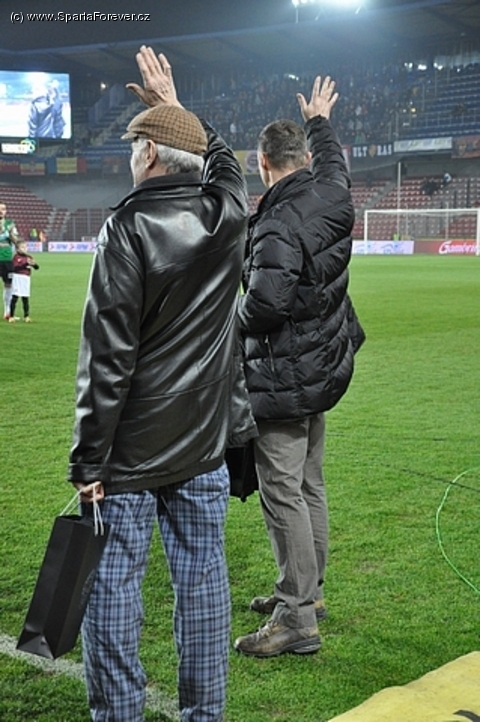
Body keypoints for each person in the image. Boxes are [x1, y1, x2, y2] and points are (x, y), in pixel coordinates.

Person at [67, 45, 253, 722]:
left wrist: (89, 460)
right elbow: (226, 165)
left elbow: (108, 359)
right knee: (203, 583)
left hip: (130, 454)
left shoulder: (127, 227)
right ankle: (206, 714)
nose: (129, 157)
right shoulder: (227, 214)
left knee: (113, 584)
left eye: (133, 146)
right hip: (203, 444)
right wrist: (177, 107)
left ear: (148, 154)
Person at [234, 76, 364, 657]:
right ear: (304, 159)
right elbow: (334, 163)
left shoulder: (278, 221)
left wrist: (226, 321)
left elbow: (264, 306)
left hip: (286, 376)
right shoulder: (332, 192)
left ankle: (297, 617)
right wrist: (320, 122)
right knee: (309, 484)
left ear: (262, 164)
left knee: (283, 491)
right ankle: (307, 593)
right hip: (323, 367)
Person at [9, 240, 39, 323]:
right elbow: (15, 268)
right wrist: (26, 264)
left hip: (26, 279)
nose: (25, 249)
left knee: (25, 298)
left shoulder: (29, 257)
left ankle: (26, 316)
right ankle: (11, 316)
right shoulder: (16, 257)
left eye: (25, 247)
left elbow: (37, 267)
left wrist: (34, 264)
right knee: (15, 297)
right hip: (17, 278)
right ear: (17, 249)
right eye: (22, 247)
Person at [0, 202, 19, 320]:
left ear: (6, 211)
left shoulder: (10, 225)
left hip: (7, 259)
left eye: (3, 209)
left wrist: (10, 235)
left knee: (8, 284)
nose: (1, 211)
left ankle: (7, 311)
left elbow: (16, 241)